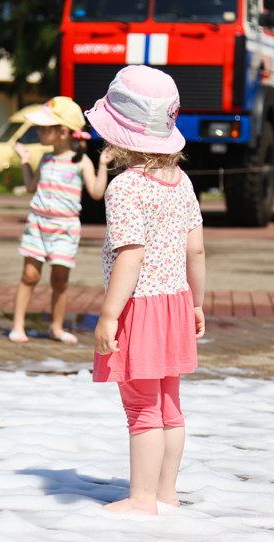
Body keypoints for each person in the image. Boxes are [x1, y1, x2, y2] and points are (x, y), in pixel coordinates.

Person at [86, 65, 206, 515]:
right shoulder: (183, 182)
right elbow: (196, 251)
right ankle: (165, 493)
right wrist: (196, 302)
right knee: (169, 405)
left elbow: (130, 257)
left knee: (141, 408)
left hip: (139, 308)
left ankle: (140, 499)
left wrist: (108, 315)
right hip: (175, 303)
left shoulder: (124, 187)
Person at [9, 97, 113, 344]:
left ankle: (56, 328)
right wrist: (24, 160)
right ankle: (17, 326)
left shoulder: (81, 161)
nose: (39, 132)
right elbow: (31, 186)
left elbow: (97, 193)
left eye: (45, 128)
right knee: (30, 276)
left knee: (60, 281)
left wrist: (103, 165)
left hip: (65, 228)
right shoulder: (45, 159)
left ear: (63, 132)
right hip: (38, 223)